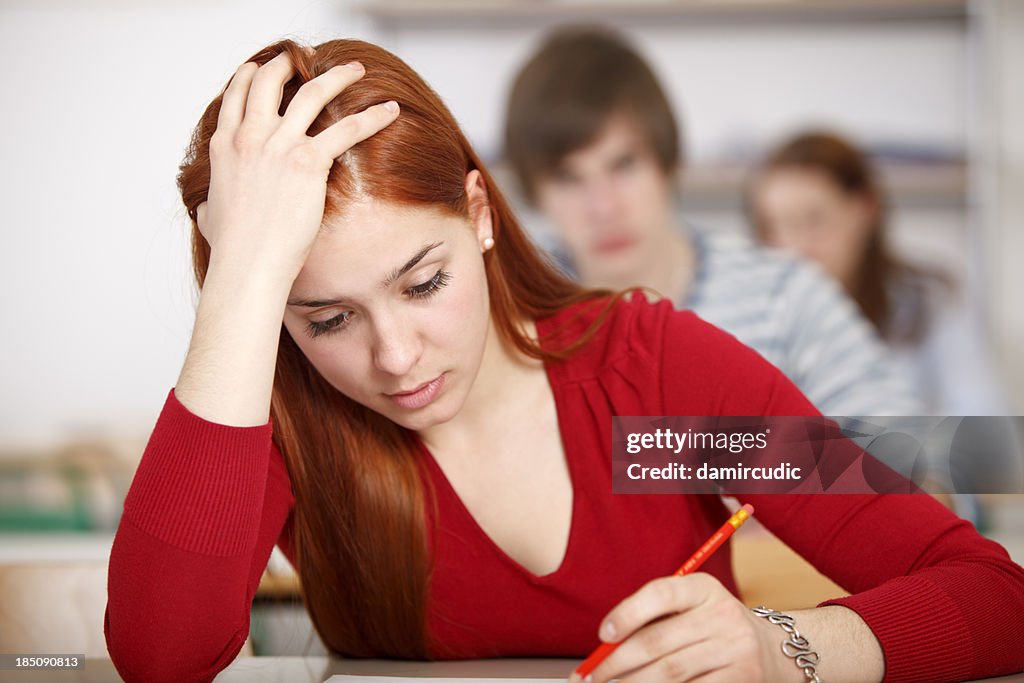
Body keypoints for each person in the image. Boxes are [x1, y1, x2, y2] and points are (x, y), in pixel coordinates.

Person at [103, 38, 1024, 683]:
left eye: (423, 284)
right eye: (326, 317)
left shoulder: (658, 394)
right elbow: (161, 655)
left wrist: (787, 648)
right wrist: (238, 291)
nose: (394, 357)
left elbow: (994, 597)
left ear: (481, 213)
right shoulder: (281, 413)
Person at [502, 25, 922, 418]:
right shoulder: (509, 308)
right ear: (535, 192)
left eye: (624, 165)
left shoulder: (782, 295)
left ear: (666, 161)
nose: (604, 208)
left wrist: (662, 456)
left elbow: (931, 463)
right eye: (567, 178)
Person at [745, 130, 1007, 416]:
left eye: (814, 220)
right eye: (775, 228)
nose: (794, 247)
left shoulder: (929, 301)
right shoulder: (755, 319)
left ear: (864, 209)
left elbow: (982, 422)